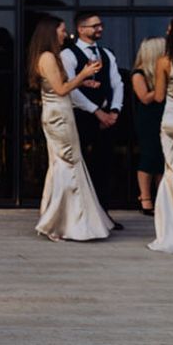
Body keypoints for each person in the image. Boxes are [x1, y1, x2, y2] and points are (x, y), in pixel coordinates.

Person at [28, 15, 115, 241]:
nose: (65, 34)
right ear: (51, 32)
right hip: (58, 116)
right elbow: (60, 89)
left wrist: (83, 81)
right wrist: (84, 74)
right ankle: (63, 222)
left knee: (64, 163)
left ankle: (61, 218)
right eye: (62, 30)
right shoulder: (47, 57)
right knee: (67, 163)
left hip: (60, 113)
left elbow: (59, 84)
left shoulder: (50, 56)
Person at [60, 11, 124, 227]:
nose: (100, 29)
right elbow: (70, 89)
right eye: (95, 26)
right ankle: (81, 218)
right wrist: (97, 111)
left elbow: (117, 83)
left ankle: (103, 216)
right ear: (81, 29)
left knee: (104, 167)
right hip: (81, 118)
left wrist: (114, 111)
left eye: (101, 25)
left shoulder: (106, 53)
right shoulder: (67, 55)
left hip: (107, 119)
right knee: (82, 168)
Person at [148, 18, 173, 253]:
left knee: (170, 172)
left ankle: (169, 231)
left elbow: (158, 97)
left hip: (170, 120)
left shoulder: (164, 61)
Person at [131, 37, 166, 215]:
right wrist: (162, 85)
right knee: (149, 157)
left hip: (164, 116)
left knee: (162, 159)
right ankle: (145, 198)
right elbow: (144, 98)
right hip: (149, 119)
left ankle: (162, 198)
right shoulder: (139, 74)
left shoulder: (166, 71)